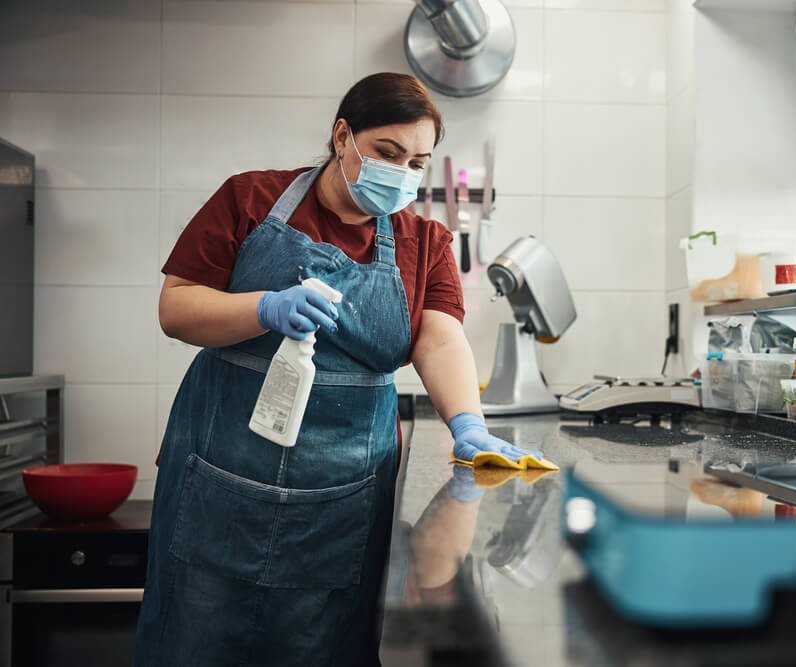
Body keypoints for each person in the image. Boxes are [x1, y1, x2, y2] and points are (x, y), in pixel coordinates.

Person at [133, 72, 551, 666]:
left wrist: (469, 425)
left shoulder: (423, 240)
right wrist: (264, 307)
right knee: (196, 640)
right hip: (222, 483)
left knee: (320, 646)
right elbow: (177, 308)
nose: (402, 173)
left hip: (341, 500)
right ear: (342, 135)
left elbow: (440, 340)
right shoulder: (250, 199)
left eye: (417, 162)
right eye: (387, 153)